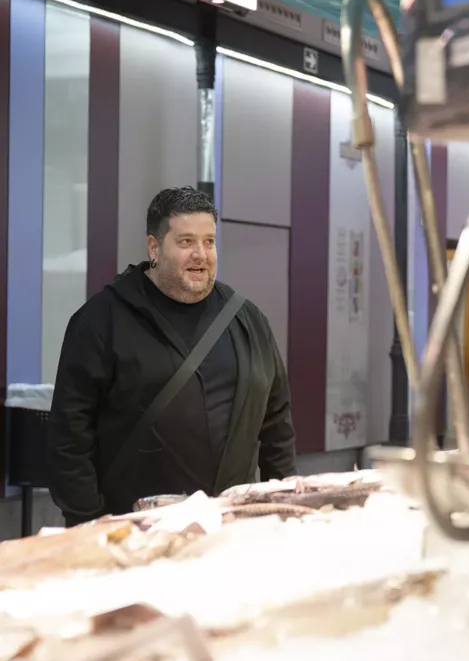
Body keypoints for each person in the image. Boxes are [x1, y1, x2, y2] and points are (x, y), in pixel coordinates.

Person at [48, 187, 297, 525]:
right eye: (186, 242)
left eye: (209, 242)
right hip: (133, 533)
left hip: (232, 529)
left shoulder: (247, 320)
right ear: (154, 247)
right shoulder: (100, 321)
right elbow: (69, 436)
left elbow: (276, 425)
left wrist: (283, 511)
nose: (201, 254)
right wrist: (88, 523)